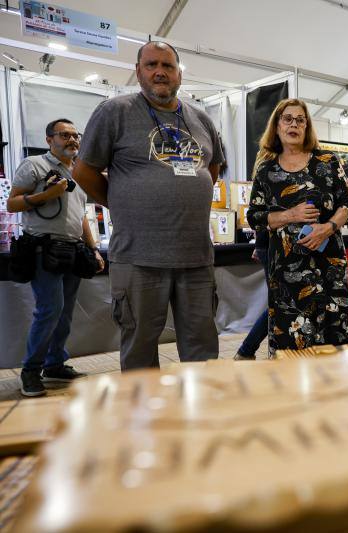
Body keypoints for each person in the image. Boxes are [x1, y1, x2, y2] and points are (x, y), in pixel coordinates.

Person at [73, 41, 224, 371]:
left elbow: (211, 170)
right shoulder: (114, 112)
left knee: (202, 347)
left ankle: (201, 419)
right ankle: (143, 421)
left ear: (179, 75)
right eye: (152, 64)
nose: (160, 72)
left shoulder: (201, 119)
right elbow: (83, 171)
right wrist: (120, 200)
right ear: (138, 71)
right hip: (138, 256)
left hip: (196, 257)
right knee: (140, 346)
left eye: (168, 66)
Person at [247, 98, 348, 355]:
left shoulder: (327, 161)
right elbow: (255, 217)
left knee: (334, 340)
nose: (294, 124)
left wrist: (328, 228)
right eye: (288, 119)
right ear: (277, 126)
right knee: (290, 345)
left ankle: (333, 394)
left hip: (328, 268)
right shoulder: (266, 170)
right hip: (286, 273)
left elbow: (347, 203)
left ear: (307, 126)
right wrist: (290, 215)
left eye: (300, 119)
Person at [7, 119, 104, 396]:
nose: (72, 139)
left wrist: (93, 248)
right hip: (43, 248)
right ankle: (30, 371)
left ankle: (54, 365)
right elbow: (11, 203)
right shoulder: (34, 165)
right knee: (49, 310)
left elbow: (81, 215)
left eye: (75, 135)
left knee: (64, 313)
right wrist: (47, 194)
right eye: (65, 135)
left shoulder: (78, 172)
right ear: (50, 139)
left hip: (73, 249)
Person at [233, 229, 269, 360]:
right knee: (277, 304)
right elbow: (262, 216)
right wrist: (260, 245)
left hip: (267, 244)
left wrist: (259, 244)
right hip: (272, 246)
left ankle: (246, 351)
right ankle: (246, 350)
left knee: (277, 303)